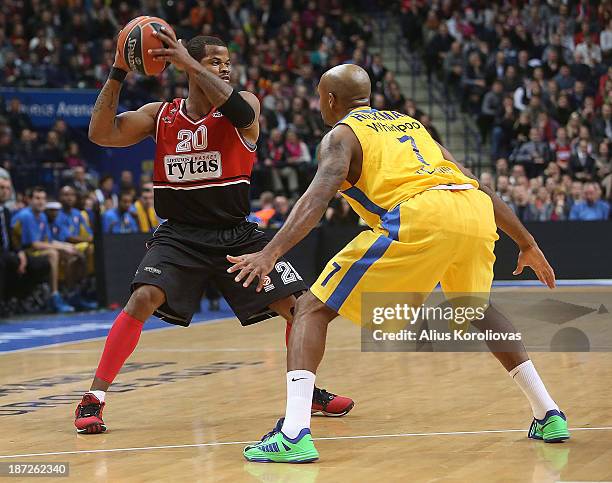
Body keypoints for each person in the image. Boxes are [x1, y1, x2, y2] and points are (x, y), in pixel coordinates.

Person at [229, 65, 569, 463]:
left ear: (331, 100)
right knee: (475, 307)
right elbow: (475, 181)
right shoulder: (411, 125)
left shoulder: (341, 135)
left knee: (310, 307)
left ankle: (293, 433)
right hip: (472, 208)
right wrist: (526, 242)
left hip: (422, 213)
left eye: (320, 96)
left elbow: (317, 197)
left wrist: (271, 252)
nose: (320, 103)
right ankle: (548, 413)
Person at [74, 29, 352, 434]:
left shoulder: (246, 107)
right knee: (142, 299)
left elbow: (241, 113)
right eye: (215, 62)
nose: (225, 68)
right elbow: (101, 133)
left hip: (236, 234)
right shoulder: (160, 115)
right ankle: (93, 398)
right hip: (180, 235)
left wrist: (188, 63)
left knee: (299, 306)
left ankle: (305, 394)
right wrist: (119, 69)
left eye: (227, 63)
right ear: (188, 65)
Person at [11, 186, 78, 313]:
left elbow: (48, 240)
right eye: (37, 198)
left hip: (33, 250)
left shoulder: (41, 216)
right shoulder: (26, 216)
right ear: (29, 200)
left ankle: (71, 294)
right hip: (21, 252)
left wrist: (65, 246)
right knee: (53, 254)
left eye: (43, 198)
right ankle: (54, 296)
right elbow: (35, 244)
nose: (41, 201)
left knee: (70, 254)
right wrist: (60, 247)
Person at [0, 176, 49, 315]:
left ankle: (20, 298)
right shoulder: (25, 215)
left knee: (41, 263)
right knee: (6, 262)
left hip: (8, 253)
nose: (5, 191)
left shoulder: (5, 211)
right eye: (1, 188)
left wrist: (20, 252)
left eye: (7, 188)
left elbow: (10, 238)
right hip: (2, 256)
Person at [55, 185, 97, 310]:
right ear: (60, 197)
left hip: (77, 246)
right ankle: (73, 293)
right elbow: (67, 237)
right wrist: (88, 239)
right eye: (66, 195)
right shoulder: (57, 214)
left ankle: (85, 289)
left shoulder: (77, 214)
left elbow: (88, 232)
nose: (69, 198)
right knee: (82, 252)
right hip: (61, 246)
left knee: (93, 250)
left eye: (72, 195)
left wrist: (90, 238)